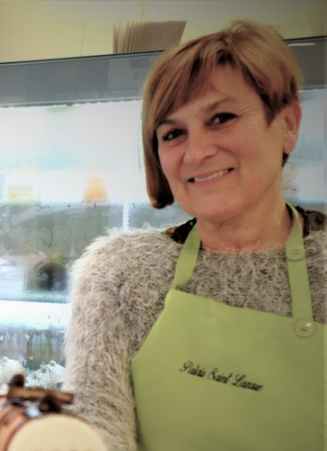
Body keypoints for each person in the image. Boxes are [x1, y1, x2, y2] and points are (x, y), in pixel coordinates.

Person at [63, 20, 325, 451]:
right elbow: (96, 427)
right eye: (173, 133)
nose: (196, 152)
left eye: (221, 118)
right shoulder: (118, 274)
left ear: (287, 124)